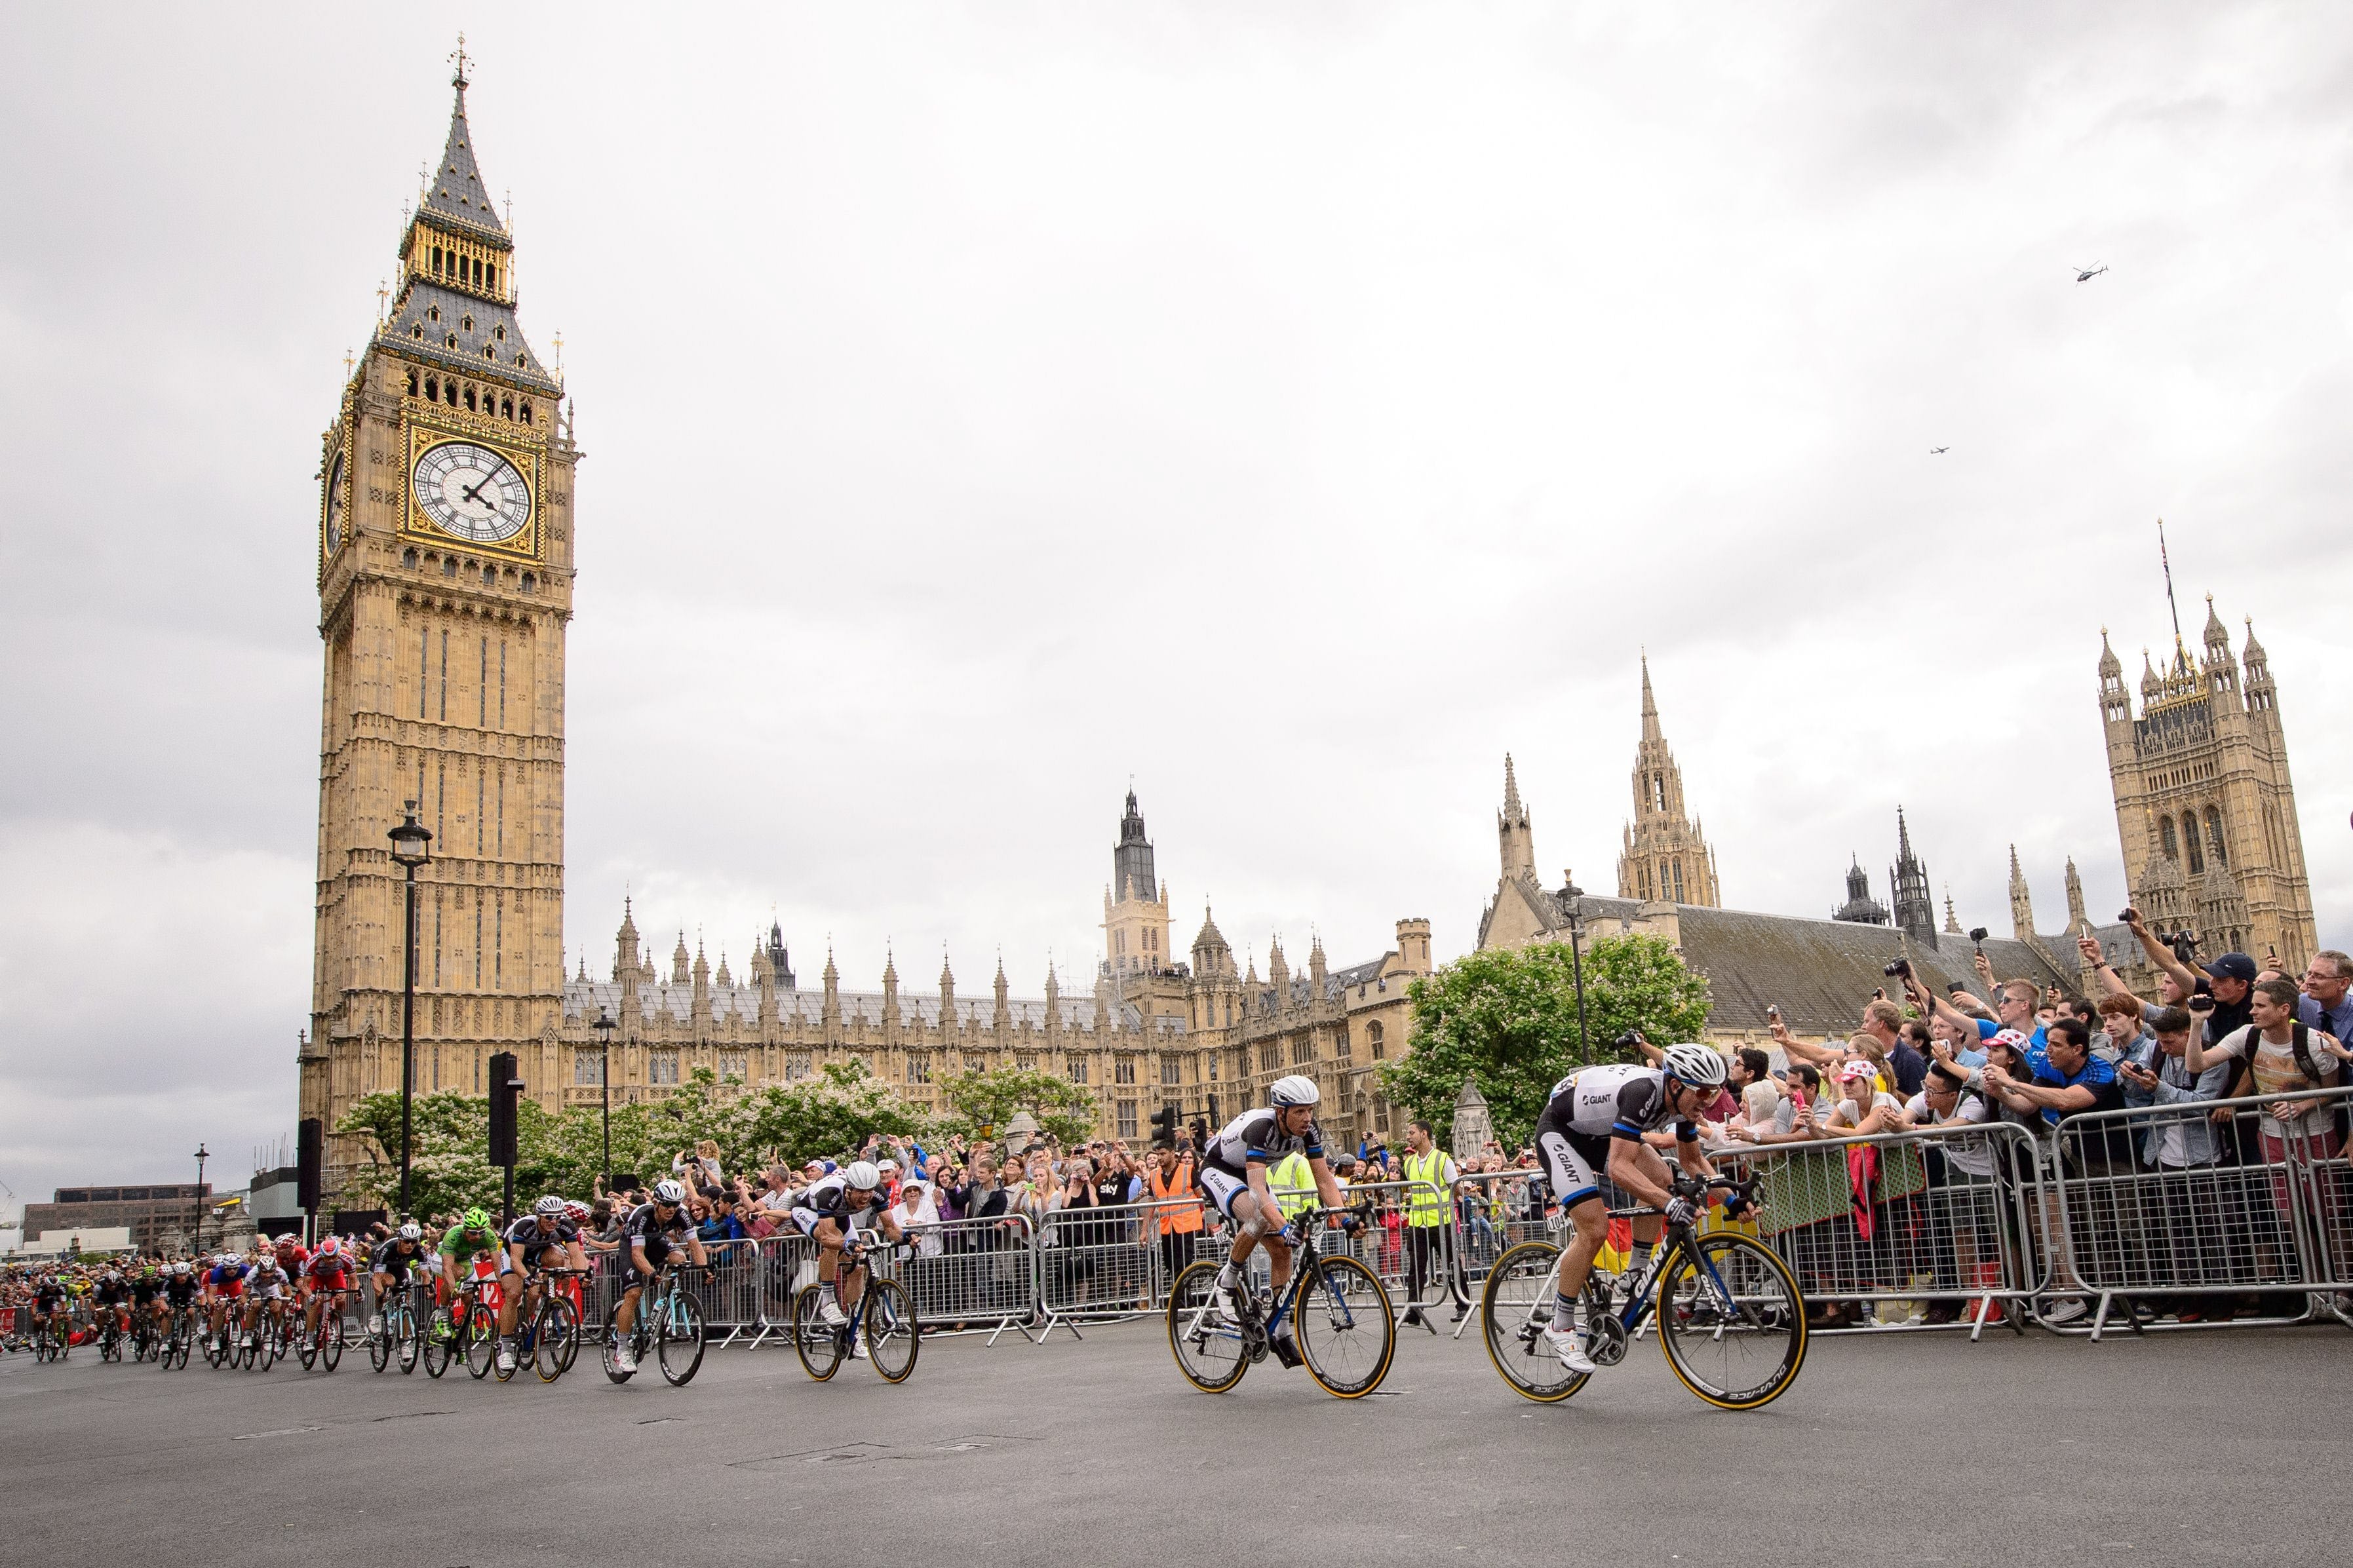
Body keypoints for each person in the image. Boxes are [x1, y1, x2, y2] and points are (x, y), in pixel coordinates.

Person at [1530, 1043, 1728, 1373]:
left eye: (1715, 1093)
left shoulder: (1683, 1103)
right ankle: (1560, 1324)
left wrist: (1736, 1200)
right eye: (1704, 1093)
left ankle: (1635, 1272)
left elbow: (1692, 1161)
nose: (1708, 1103)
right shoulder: (1643, 1093)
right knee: (1594, 1229)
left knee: (1663, 1178)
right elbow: (1620, 1168)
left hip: (1601, 1134)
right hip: (1561, 1132)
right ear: (1677, 1085)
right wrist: (1670, 1205)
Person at [1196, 1075, 1349, 1366]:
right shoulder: (1261, 1128)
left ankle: (1280, 1333)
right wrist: (1284, 1226)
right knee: (1258, 1219)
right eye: (1300, 1112)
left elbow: (1325, 1183)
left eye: (1311, 1110)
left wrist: (1345, 1220)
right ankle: (1226, 1283)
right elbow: (1256, 1193)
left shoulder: (1310, 1131)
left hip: (1251, 1174)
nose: (1308, 1118)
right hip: (1220, 1169)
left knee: (1283, 1249)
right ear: (1281, 1112)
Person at [791, 1160, 906, 1356]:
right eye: (861, 1192)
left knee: (858, 1267)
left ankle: (853, 1331)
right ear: (849, 1189)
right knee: (834, 1240)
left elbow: (891, 1227)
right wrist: (846, 1244)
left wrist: (907, 1236)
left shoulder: (876, 1192)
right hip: (807, 1212)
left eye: (869, 1191)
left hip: (840, 1215)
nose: (866, 1196)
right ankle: (827, 1300)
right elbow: (827, 1237)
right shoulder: (830, 1193)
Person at [613, 1179, 709, 1374]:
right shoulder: (641, 1215)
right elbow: (637, 1254)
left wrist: (705, 1269)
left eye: (675, 1204)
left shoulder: (682, 1214)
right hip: (632, 1247)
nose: (671, 1209)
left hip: (657, 1243)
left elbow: (695, 1245)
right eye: (667, 1204)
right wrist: (651, 1273)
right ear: (656, 1203)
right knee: (634, 1293)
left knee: (679, 1258)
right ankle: (622, 1350)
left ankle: (665, 1299)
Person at [497, 1196, 588, 1373]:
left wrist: (581, 1276)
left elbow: (576, 1255)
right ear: (539, 1216)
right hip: (514, 1254)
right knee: (514, 1294)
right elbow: (516, 1260)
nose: (553, 1221)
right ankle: (506, 1348)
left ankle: (547, 1300)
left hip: (540, 1251)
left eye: (557, 1217)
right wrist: (526, 1277)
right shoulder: (525, 1226)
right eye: (548, 1217)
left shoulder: (566, 1225)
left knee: (559, 1258)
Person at [1399, 1119, 1460, 1329]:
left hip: (1441, 1222)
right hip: (1418, 1224)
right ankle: (1414, 1310)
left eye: (1412, 1132)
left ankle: (1462, 1304)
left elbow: (1455, 1189)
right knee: (1416, 1268)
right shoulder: (1408, 1163)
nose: (1408, 1137)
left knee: (1452, 1264)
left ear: (1424, 1134)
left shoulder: (1443, 1160)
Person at [366, 1223, 427, 1336]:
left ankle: (404, 1342)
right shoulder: (387, 1248)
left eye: (413, 1242)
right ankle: (377, 1314)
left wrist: (428, 1289)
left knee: (406, 1299)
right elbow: (377, 1278)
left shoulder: (420, 1250)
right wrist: (380, 1295)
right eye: (406, 1241)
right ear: (400, 1240)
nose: (410, 1245)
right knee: (389, 1282)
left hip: (399, 1268)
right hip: (381, 1270)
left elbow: (426, 1275)